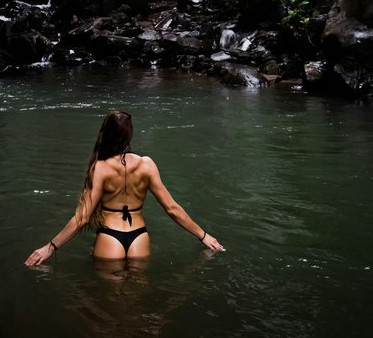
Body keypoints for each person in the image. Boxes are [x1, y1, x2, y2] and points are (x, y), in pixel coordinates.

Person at [25, 110, 225, 266]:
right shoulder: (147, 164)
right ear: (130, 134)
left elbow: (82, 218)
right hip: (139, 236)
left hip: (110, 237)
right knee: (136, 300)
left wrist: (50, 247)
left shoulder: (101, 168)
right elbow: (172, 208)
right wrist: (203, 235)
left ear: (106, 134)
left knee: (109, 301)